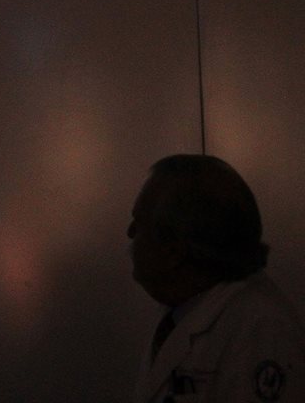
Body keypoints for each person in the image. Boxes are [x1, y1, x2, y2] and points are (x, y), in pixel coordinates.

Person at [130, 154, 305, 403]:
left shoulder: (261, 331)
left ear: (174, 251)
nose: (129, 233)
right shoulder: (180, 309)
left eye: (139, 224)